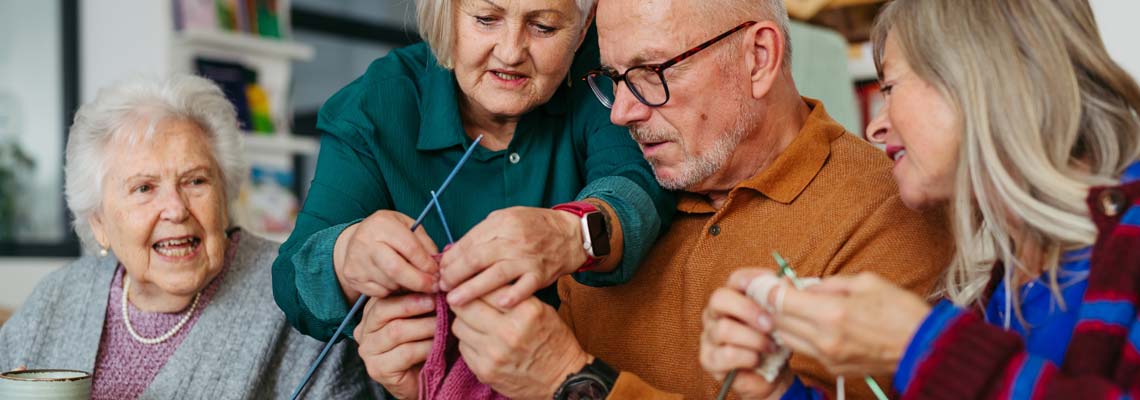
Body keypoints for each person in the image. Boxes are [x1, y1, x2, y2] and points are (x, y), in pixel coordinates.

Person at [407, 0, 954, 398]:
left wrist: (570, 381)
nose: (622, 112)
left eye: (650, 73)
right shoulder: (618, 208)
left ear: (759, 57)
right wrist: (445, 370)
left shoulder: (893, 212)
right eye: (614, 78)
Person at [700, 0, 1140, 398]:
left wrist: (920, 343)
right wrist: (778, 392)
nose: (875, 128)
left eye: (889, 87)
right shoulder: (998, 293)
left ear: (978, 80)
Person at [271, 0, 673, 397]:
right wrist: (346, 256)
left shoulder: (604, 82)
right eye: (486, 19)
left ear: (582, 31)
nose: (511, 51)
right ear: (447, 14)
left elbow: (636, 186)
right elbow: (293, 277)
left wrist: (574, 234)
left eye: (544, 27)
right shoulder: (376, 103)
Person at [0, 75, 377, 399]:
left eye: (195, 181)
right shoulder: (57, 297)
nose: (176, 209)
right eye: (144, 188)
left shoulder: (296, 295)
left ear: (225, 193)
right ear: (98, 221)